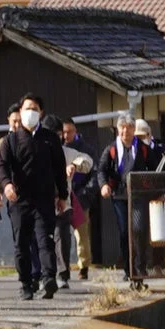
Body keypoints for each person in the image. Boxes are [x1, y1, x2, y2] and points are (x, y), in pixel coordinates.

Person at [0, 93, 69, 300]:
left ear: (41, 113)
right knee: (21, 244)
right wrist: (7, 185)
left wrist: (62, 195)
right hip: (19, 201)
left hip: (44, 200)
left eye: (35, 108)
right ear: (20, 112)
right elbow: (1, 166)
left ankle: (48, 279)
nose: (30, 112)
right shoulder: (10, 141)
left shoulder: (50, 139)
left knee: (44, 240)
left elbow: (58, 169)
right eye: (27, 108)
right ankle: (26, 283)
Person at [97, 118, 150, 280]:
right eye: (122, 128)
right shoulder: (111, 149)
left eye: (128, 128)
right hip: (119, 196)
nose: (125, 131)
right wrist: (104, 185)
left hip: (138, 195)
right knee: (124, 231)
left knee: (139, 230)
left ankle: (140, 267)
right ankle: (128, 270)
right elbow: (102, 170)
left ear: (134, 130)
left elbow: (155, 167)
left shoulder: (143, 149)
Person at [55, 117, 96, 284]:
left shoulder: (83, 149)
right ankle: (61, 270)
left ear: (75, 131)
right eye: (63, 132)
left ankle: (83, 266)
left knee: (81, 233)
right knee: (60, 234)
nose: (66, 135)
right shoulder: (54, 148)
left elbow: (93, 171)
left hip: (80, 195)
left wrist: (86, 193)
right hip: (62, 196)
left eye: (69, 131)